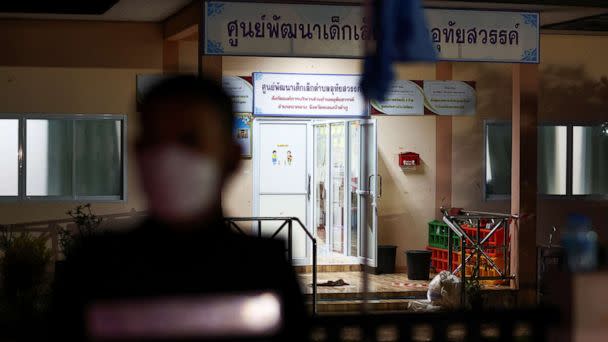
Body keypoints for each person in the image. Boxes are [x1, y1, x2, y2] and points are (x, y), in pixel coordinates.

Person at [52, 75, 308, 341]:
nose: (169, 158)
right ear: (138, 154)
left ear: (231, 158)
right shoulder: (94, 268)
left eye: (190, 141)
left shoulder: (264, 269)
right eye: (156, 141)